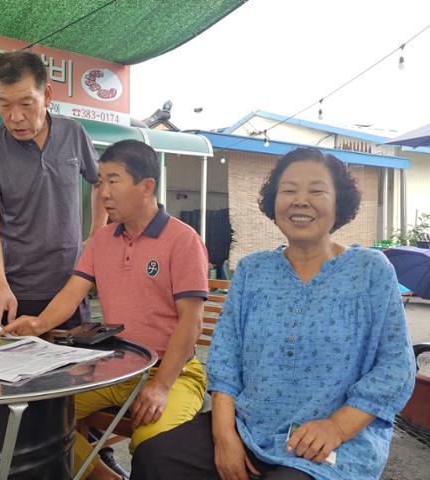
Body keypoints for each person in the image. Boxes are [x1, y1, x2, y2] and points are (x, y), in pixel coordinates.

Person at [130, 147, 416, 480]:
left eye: (317, 190)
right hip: (249, 425)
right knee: (155, 458)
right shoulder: (253, 270)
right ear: (274, 201)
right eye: (289, 190)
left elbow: (396, 367)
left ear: (340, 202)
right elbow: (225, 360)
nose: (300, 200)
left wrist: (336, 427)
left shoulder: (370, 270)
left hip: (332, 439)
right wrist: (225, 438)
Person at [3, 140, 209, 480]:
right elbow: (72, 294)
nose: (103, 193)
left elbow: (192, 321)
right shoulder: (101, 241)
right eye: (100, 182)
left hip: (172, 373)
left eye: (113, 180)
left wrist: (160, 387)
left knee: (155, 445)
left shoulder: (183, 240)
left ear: (147, 187)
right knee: (30, 414)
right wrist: (37, 324)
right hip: (115, 368)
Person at [0, 50, 106, 329]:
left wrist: (96, 236)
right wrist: (0, 287)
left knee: (77, 368)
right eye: (3, 104)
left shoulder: (73, 133)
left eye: (26, 103)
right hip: (18, 292)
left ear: (48, 96)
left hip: (72, 285)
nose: (15, 117)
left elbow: (100, 182)